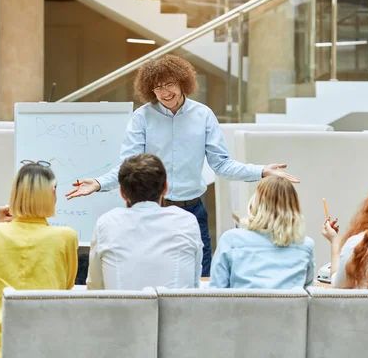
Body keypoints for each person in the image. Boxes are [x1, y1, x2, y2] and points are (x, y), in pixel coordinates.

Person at [65, 55, 298, 276]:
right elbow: (129, 167)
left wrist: (262, 171)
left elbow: (222, 165)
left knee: (201, 275)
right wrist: (98, 183)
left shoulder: (203, 115)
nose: (165, 92)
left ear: (182, 82)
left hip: (193, 210)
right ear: (149, 89)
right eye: (157, 87)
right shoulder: (142, 117)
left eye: (169, 84)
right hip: (152, 211)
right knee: (154, 274)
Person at [0, 160, 78, 358]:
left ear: (16, 193)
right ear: (52, 193)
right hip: (48, 346)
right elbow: (67, 285)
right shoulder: (67, 237)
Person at [86, 153, 202, 290]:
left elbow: (95, 288)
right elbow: (194, 284)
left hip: (120, 310)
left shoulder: (106, 223)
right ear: (165, 188)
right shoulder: (186, 221)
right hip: (176, 311)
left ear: (122, 193)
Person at [209, 176, 314, 289]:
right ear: (294, 207)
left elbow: (216, 291)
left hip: (243, 307)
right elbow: (307, 290)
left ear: (256, 202)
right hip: (290, 307)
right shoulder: (304, 245)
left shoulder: (231, 240)